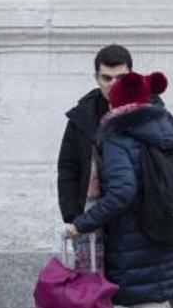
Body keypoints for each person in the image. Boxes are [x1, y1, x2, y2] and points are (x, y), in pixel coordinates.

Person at [66, 71, 173, 308]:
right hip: (162, 239)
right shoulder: (165, 131)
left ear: (116, 101)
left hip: (137, 243)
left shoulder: (118, 134)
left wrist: (82, 223)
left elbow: (121, 194)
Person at [59, 45, 143, 226]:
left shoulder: (150, 113)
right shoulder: (82, 117)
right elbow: (68, 167)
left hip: (140, 220)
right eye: (106, 78)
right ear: (96, 78)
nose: (113, 84)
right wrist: (72, 216)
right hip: (92, 218)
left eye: (120, 77)